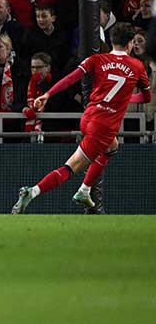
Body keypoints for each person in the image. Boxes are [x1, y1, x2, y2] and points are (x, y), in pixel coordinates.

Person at [12, 22, 151, 214]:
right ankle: (33, 191)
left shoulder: (97, 59)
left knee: (112, 146)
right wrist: (125, 98)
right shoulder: (137, 66)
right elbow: (147, 98)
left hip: (88, 117)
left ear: (111, 41)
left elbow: (71, 78)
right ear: (129, 44)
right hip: (103, 125)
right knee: (70, 167)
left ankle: (85, 190)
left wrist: (47, 94)